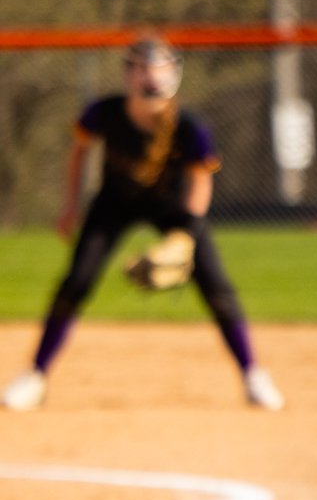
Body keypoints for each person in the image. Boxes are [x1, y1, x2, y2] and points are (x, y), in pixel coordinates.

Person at [2, 36, 282, 412]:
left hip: (173, 208)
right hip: (114, 202)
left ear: (173, 74)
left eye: (158, 69)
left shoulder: (189, 127)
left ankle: (253, 375)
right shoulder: (105, 112)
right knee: (76, 282)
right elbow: (79, 150)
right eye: (142, 69)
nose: (150, 77)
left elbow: (201, 180)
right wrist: (70, 206)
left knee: (216, 286)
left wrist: (187, 234)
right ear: (129, 74)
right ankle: (35, 377)